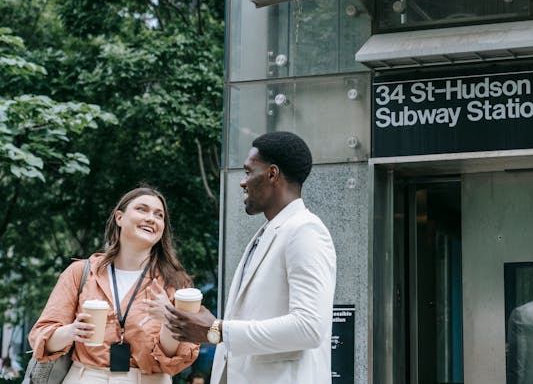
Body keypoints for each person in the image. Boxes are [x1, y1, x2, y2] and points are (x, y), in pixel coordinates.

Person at [164, 131, 337, 384]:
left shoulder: (305, 230)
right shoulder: (267, 232)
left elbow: (309, 327)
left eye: (247, 172)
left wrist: (217, 330)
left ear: (272, 174)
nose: (242, 182)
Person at [28, 187, 199, 383]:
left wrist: (170, 319)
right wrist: (72, 331)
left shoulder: (176, 283)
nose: (151, 218)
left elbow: (173, 360)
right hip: (87, 377)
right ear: (119, 217)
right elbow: (41, 339)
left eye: (159, 215)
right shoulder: (81, 272)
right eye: (142, 209)